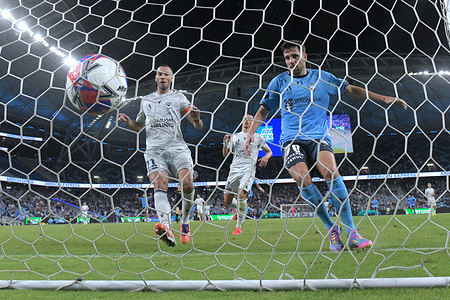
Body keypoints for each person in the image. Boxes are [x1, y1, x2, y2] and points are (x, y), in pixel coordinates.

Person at [244, 40, 407, 251]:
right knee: (303, 179)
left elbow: (350, 89)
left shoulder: (321, 78)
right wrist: (250, 133)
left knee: (331, 172)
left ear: (305, 56)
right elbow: (263, 111)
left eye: (295, 56)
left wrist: (383, 98)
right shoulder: (279, 82)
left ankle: (352, 232)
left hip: (319, 137)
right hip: (291, 139)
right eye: (287, 58)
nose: (291, 61)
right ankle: (332, 229)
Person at [118, 65, 203, 247]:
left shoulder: (179, 98)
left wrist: (196, 118)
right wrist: (128, 122)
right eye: (159, 74)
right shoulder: (146, 100)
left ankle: (185, 221)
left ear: (171, 79)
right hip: (154, 151)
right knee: (159, 184)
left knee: (187, 184)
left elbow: (198, 126)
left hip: (177, 148)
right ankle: (167, 228)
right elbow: (138, 126)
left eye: (166, 74)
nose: (162, 77)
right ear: (155, 78)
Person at [223, 114, 272, 235]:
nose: (247, 121)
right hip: (234, 169)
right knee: (227, 200)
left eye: (250, 120)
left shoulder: (257, 137)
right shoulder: (235, 137)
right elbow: (225, 154)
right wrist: (225, 143)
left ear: (253, 123)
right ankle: (239, 209)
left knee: (241, 195)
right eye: (245, 119)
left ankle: (238, 227)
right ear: (242, 122)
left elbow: (269, 151)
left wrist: (266, 157)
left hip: (248, 169)